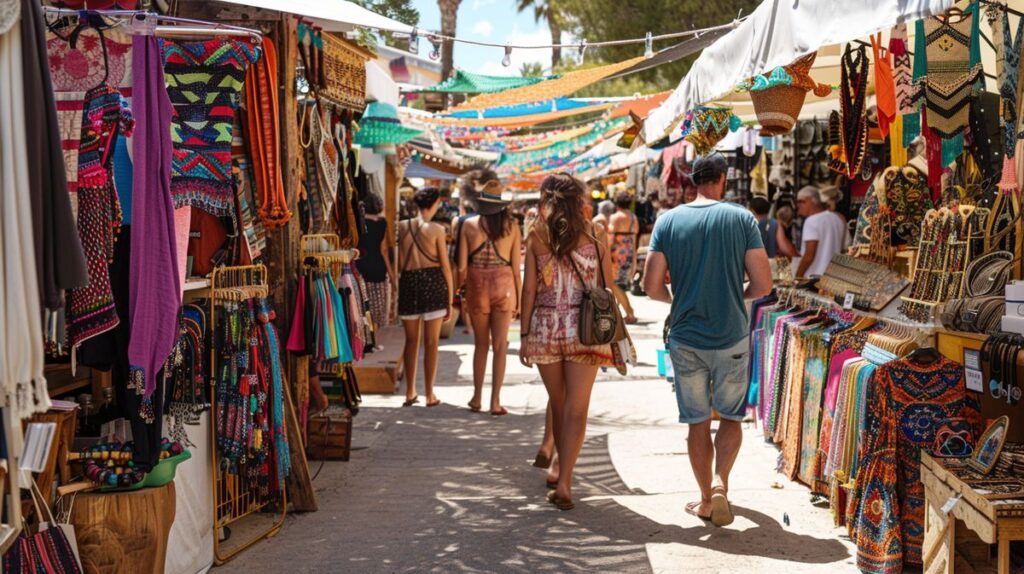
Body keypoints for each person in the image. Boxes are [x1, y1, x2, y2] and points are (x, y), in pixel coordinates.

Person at [642, 154, 773, 527]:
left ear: (691, 180)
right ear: (724, 179)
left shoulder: (667, 221)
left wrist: (680, 300)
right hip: (731, 335)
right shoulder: (742, 218)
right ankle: (721, 485)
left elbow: (651, 287)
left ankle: (704, 499)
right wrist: (736, 297)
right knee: (731, 416)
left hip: (686, 337)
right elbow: (763, 284)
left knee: (697, 422)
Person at [520, 173, 618, 511]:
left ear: (546, 199)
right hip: (586, 327)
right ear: (579, 199)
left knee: (558, 403)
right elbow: (607, 285)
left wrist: (522, 335)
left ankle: (559, 467)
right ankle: (565, 480)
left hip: (546, 327)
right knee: (577, 407)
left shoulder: (536, 235)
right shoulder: (596, 234)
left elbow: (529, 290)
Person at [458, 178, 522, 416]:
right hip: (505, 287)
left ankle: (477, 397)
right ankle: (495, 401)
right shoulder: (512, 227)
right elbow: (516, 268)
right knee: (500, 346)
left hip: (477, 286)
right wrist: (521, 300)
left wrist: (459, 292)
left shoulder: (468, 226)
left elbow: (462, 266)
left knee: (481, 345)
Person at [398, 187, 453, 408]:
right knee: (431, 343)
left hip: (409, 283)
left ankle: (410, 391)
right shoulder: (437, 230)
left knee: (411, 341)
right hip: (433, 283)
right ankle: (430, 393)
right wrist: (450, 297)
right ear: (435, 203)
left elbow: (399, 261)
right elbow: (445, 265)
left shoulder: (402, 227)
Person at [357, 193, 395, 334]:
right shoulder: (382, 223)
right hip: (378, 267)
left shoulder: (359, 222)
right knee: (377, 306)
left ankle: (364, 339)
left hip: (361, 265)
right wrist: (391, 274)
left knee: (362, 304)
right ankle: (374, 340)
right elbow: (384, 250)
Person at [795, 185, 847, 278]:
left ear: (811, 200)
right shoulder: (839, 218)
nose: (798, 205)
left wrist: (798, 277)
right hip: (834, 278)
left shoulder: (811, 221)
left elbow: (809, 256)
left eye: (801, 201)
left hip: (814, 279)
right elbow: (844, 250)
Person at [608, 191, 639, 324]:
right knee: (619, 284)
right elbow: (634, 238)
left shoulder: (615, 217)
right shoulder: (633, 218)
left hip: (616, 254)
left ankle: (629, 312)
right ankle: (617, 311)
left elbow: (610, 238)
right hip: (629, 252)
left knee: (614, 284)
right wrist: (634, 260)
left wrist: (605, 253)